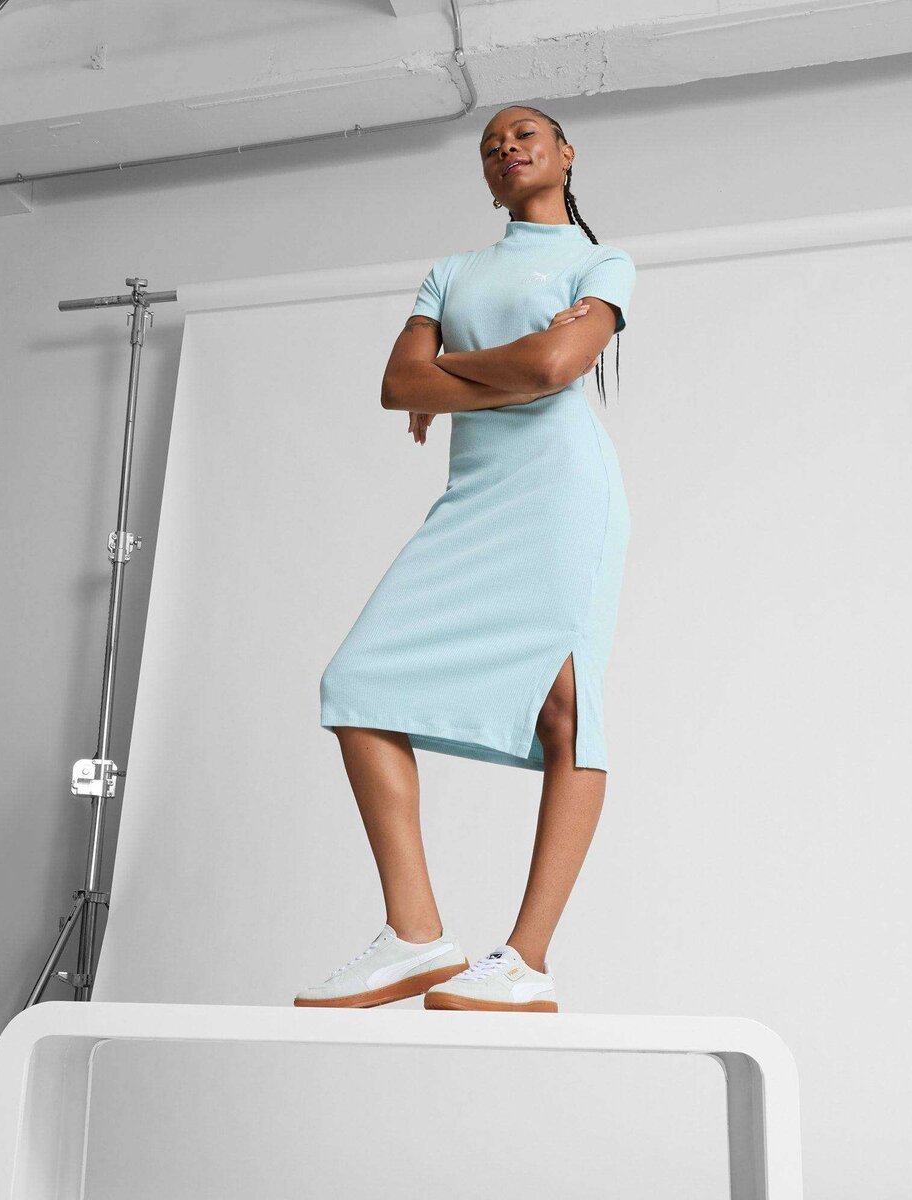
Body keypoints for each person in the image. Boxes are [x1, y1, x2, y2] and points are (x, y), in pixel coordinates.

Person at [294, 104, 635, 1013]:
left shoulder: (603, 263)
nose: (506, 148)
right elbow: (397, 384)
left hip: (562, 493)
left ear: (566, 154)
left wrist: (457, 376)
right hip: (475, 493)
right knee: (357, 683)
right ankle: (416, 935)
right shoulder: (450, 272)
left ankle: (526, 961)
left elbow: (559, 366)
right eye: (490, 147)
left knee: (566, 710)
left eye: (524, 136)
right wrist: (516, 364)